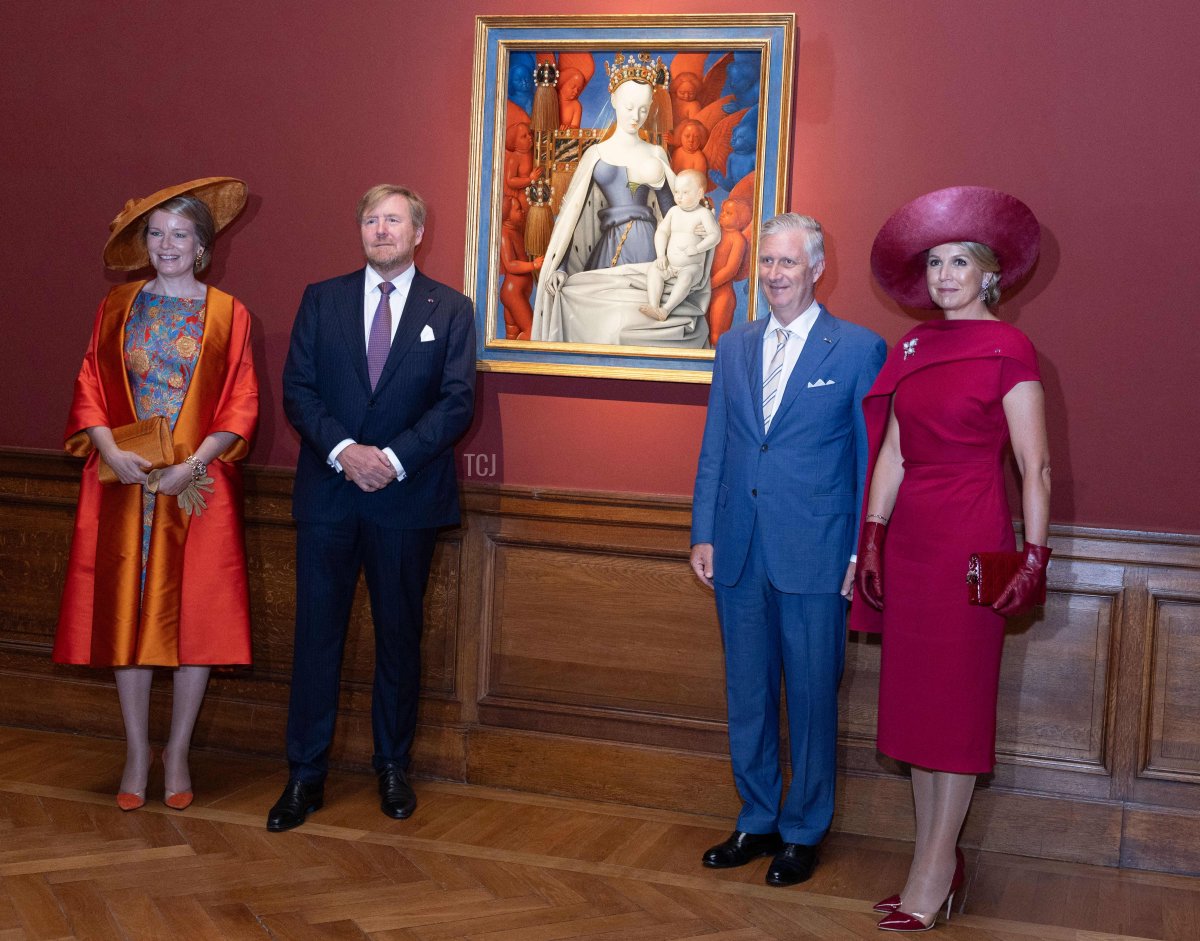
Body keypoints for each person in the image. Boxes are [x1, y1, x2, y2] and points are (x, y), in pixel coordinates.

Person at [851, 186, 1051, 932]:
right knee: (917, 706)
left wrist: (1035, 555)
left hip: (977, 546)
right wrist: (872, 534)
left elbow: (1036, 466)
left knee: (957, 704)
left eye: (958, 260)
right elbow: (897, 450)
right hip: (913, 545)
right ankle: (932, 858)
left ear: (989, 273)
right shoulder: (910, 348)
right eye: (934, 261)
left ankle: (933, 870)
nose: (943, 274)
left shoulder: (1010, 347)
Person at [269, 184, 476, 832]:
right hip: (329, 495)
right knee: (316, 639)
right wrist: (345, 450)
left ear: (419, 232)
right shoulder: (321, 299)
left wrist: (390, 457)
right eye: (370, 219)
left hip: (406, 498)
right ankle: (304, 775)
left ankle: (393, 766)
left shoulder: (452, 309)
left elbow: (456, 400)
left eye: (393, 220)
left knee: (398, 639)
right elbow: (297, 391)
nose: (380, 229)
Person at [691, 214, 886, 887]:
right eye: (767, 262)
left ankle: (804, 830)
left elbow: (869, 461)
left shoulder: (859, 348)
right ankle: (757, 816)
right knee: (746, 692)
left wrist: (864, 549)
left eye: (788, 263)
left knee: (809, 697)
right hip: (738, 550)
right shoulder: (734, 345)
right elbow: (717, 443)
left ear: (818, 267)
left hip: (817, 553)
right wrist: (703, 531)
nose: (774, 274)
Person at [54, 177, 259, 812]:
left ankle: (179, 749)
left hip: (196, 486)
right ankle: (136, 749)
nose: (167, 244)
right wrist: (110, 450)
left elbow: (240, 400)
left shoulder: (230, 313)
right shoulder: (118, 306)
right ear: (144, 242)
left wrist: (192, 464)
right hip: (125, 487)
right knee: (126, 617)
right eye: (157, 232)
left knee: (195, 619)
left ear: (202, 245)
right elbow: (90, 378)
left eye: (180, 234)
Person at [530, 53, 710, 348]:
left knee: (640, 320)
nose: (636, 116)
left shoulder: (655, 154)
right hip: (610, 246)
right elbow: (571, 220)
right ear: (613, 100)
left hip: (648, 247)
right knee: (606, 327)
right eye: (629, 107)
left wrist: (695, 226)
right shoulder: (595, 156)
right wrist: (561, 266)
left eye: (643, 108)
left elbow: (670, 209)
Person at [640, 170, 720, 322]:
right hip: (670, 265)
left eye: (685, 192)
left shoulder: (703, 214)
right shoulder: (673, 212)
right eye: (676, 191)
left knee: (686, 278)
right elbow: (662, 232)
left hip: (692, 267)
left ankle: (665, 309)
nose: (679, 196)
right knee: (654, 270)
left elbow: (715, 236)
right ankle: (653, 305)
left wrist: (697, 248)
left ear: (699, 194)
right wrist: (661, 255)